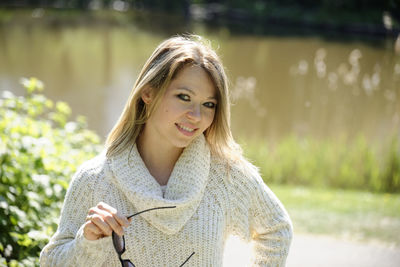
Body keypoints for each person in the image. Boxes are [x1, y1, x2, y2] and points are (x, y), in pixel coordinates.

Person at [40, 34, 293, 266]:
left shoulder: (226, 176)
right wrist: (88, 240)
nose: (195, 115)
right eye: (184, 97)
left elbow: (277, 230)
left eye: (208, 104)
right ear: (148, 92)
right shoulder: (95, 179)